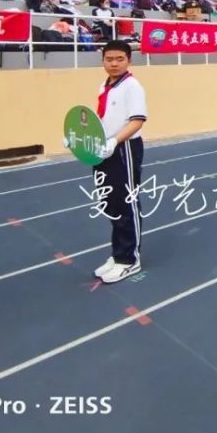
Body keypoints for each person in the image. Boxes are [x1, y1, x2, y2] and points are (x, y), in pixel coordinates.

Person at [65, 40, 148, 283]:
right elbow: (99, 119)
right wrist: (76, 137)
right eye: (109, 59)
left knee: (126, 203)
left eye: (119, 59)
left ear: (128, 60)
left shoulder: (132, 86)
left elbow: (137, 121)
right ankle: (118, 254)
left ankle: (130, 260)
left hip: (124, 150)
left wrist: (115, 142)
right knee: (109, 202)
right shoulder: (105, 85)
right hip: (103, 150)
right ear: (103, 60)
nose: (113, 63)